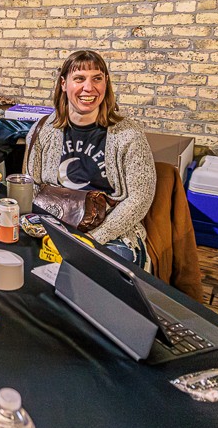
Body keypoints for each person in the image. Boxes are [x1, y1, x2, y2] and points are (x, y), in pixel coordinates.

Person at [24, 50, 156, 268]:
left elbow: (139, 199)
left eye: (97, 78)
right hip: (53, 225)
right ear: (64, 84)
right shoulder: (43, 129)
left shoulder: (128, 135)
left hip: (109, 233)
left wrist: (92, 239)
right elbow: (32, 184)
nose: (89, 87)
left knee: (99, 278)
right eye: (79, 79)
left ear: (106, 83)